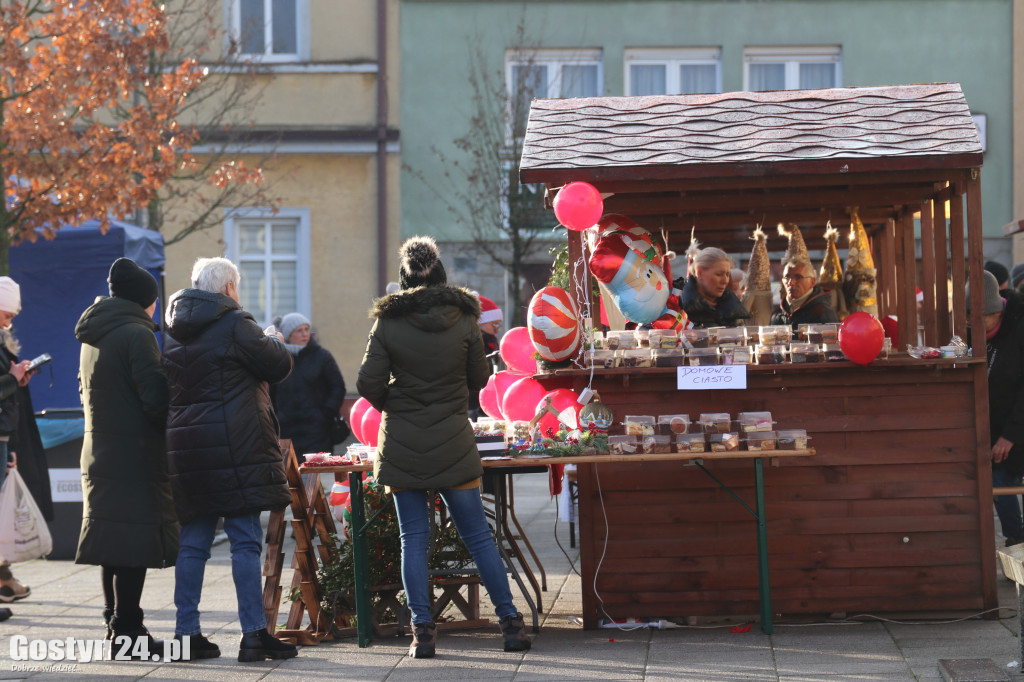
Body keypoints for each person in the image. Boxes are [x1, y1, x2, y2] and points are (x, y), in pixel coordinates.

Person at [357, 236, 531, 659]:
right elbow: (477, 380)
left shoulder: (387, 323)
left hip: (402, 441)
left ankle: (423, 632)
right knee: (479, 537)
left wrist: (397, 405)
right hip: (454, 440)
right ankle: (509, 623)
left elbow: (367, 385)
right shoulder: (465, 319)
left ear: (404, 279)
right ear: (441, 276)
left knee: (412, 539)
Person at [163, 257, 297, 663]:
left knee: (193, 541)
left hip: (186, 447)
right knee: (243, 540)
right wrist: (272, 338)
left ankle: (186, 634)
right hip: (235, 444)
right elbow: (278, 365)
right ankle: (254, 635)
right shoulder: (237, 322)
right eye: (237, 287)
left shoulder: (172, 331)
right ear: (227, 289)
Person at [74, 258, 175, 655]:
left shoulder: (93, 333)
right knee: (131, 541)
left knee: (111, 540)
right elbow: (155, 399)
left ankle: (114, 623)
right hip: (133, 453)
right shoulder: (136, 334)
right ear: (146, 301)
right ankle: (129, 630)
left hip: (98, 448)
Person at [970, 270, 1024, 547]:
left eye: (982, 319)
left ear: (997, 312)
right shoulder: (980, 335)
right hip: (997, 427)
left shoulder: (1019, 328)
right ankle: (1016, 543)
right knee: (999, 481)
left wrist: (1010, 435)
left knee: (1004, 480)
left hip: (1015, 426)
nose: (976, 326)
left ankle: (1018, 543)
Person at [0, 277, 35, 623]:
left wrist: (16, 378)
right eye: (6, 314)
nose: (10, 320)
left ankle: (4, 580)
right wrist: (12, 377)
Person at [270, 312, 346, 455]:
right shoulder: (278, 358)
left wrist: (325, 413)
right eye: (299, 330)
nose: (305, 334)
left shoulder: (322, 356)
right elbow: (269, 392)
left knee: (316, 474)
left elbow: (337, 387)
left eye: (307, 329)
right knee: (290, 474)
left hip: (316, 430)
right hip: (286, 430)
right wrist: (276, 418)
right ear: (288, 335)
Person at [675, 245, 750, 328]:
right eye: (719, 274)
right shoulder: (676, 306)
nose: (725, 281)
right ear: (699, 272)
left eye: (728, 274)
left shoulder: (734, 310)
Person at [770, 258, 839, 328]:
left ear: (812, 282)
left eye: (798, 277)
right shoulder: (777, 314)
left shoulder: (822, 312)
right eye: (787, 277)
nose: (791, 283)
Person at [468, 295, 502, 420]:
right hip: (474, 403)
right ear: (480, 323)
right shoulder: (481, 343)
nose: (497, 330)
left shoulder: (490, 342)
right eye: (495, 325)